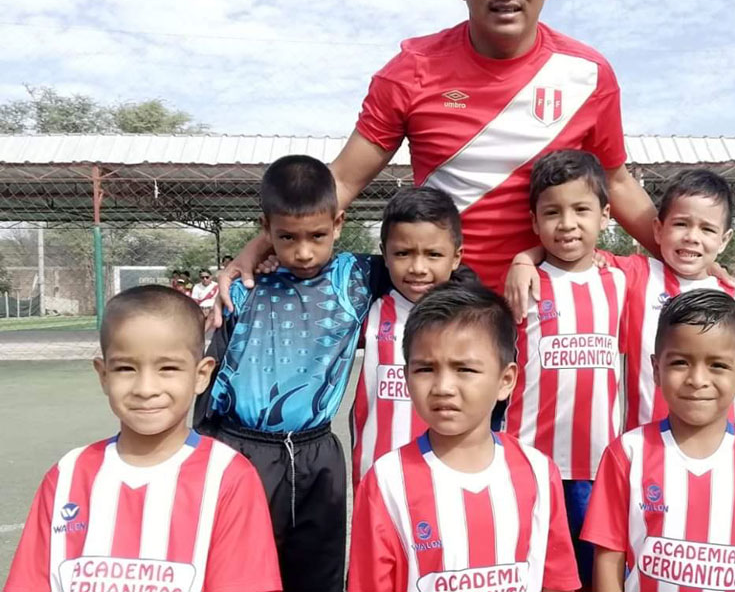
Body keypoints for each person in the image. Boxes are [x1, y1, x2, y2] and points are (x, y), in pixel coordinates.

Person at [218, 0, 660, 307]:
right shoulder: (410, 71)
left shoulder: (589, 74)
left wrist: (682, 255)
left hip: (547, 309)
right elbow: (344, 180)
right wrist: (259, 246)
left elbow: (617, 182)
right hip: (446, 311)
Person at [3, 285, 281, 592]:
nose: (146, 388)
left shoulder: (228, 476)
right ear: (103, 375)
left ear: (201, 375)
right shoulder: (68, 474)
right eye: (126, 368)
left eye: (168, 368)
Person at [194, 155, 389, 592]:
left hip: (319, 457)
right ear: (266, 228)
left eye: (317, 236)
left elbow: (426, 257)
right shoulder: (243, 288)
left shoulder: (358, 277)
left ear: (338, 224)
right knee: (239, 574)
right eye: (286, 237)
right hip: (243, 452)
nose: (303, 252)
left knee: (320, 576)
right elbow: (213, 381)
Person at [348, 282, 581, 592]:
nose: (443, 387)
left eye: (465, 370)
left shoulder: (537, 471)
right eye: (425, 369)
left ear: (505, 380)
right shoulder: (386, 481)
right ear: (406, 377)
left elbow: (557, 581)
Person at [509, 169, 735, 432]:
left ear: (723, 240)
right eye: (681, 224)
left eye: (707, 229)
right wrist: (524, 259)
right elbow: (576, 249)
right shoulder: (635, 275)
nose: (692, 237)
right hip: (650, 444)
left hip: (729, 444)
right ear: (658, 230)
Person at [581, 289, 735, 592]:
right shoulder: (626, 454)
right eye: (680, 362)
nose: (697, 379)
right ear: (656, 369)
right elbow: (608, 558)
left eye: (718, 365)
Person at [502, 150, 626, 591]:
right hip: (532, 460)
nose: (567, 223)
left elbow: (683, 264)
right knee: (534, 571)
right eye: (552, 212)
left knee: (597, 573)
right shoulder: (523, 283)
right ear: (535, 222)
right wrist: (523, 259)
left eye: (581, 210)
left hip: (599, 466)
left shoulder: (623, 279)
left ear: (605, 215)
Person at [350, 185, 470, 490]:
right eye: (403, 253)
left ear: (456, 257)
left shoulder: (472, 322)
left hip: (448, 478)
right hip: (376, 477)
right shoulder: (366, 312)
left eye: (433, 254)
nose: (418, 268)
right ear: (385, 254)